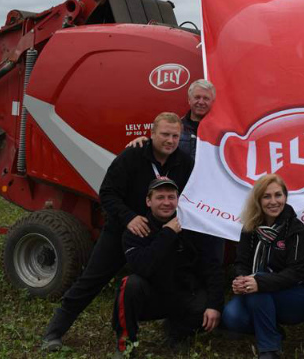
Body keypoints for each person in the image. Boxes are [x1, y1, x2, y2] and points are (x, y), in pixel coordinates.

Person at [42, 112, 194, 352]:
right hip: (122, 230)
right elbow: (108, 193)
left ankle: (176, 332)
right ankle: (54, 331)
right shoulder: (132, 156)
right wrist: (129, 218)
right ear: (151, 134)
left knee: (174, 281)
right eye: (165, 134)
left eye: (175, 136)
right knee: (91, 280)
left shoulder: (184, 162)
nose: (170, 140)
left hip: (160, 233)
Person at [111, 176, 224, 357]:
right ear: (149, 201)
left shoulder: (193, 226)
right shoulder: (137, 229)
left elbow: (212, 266)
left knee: (206, 309)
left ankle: (177, 333)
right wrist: (168, 233)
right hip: (151, 296)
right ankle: (126, 343)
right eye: (160, 197)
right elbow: (143, 267)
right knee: (129, 284)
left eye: (171, 197)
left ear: (178, 200)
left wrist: (215, 306)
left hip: (182, 294)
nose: (166, 202)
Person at [221, 174, 304, 359]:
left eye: (278, 195)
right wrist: (241, 279)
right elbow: (241, 262)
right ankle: (273, 331)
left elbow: (296, 273)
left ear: (285, 197)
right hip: (258, 291)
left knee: (257, 287)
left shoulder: (296, 230)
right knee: (232, 317)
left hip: (297, 295)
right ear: (258, 200)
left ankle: (269, 349)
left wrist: (259, 281)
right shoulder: (250, 226)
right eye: (267, 196)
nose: (273, 201)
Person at [126, 79, 215, 161]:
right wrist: (144, 143)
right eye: (197, 97)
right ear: (189, 100)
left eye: (206, 98)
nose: (201, 102)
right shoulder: (176, 128)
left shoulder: (221, 133)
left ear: (212, 102)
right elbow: (157, 147)